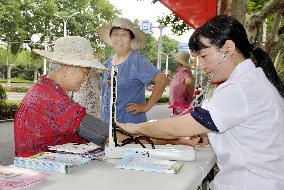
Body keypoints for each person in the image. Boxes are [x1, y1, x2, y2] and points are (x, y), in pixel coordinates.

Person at [119, 15, 284, 190]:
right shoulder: (252, 79)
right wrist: (213, 135)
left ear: (228, 47)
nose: (203, 66)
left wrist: (134, 128)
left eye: (204, 56)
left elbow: (175, 128)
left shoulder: (240, 87)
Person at [14, 36, 109, 157]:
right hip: (45, 172)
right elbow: (103, 133)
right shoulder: (52, 98)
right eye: (85, 72)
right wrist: (136, 132)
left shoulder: (43, 89)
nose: (85, 78)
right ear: (67, 68)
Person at [97, 17, 168, 124]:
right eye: (115, 34)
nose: (119, 38)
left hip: (129, 127)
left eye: (124, 35)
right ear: (111, 37)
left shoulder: (136, 60)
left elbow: (162, 80)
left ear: (131, 38)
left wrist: (146, 107)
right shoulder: (108, 62)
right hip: (107, 125)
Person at [169, 50, 194, 115]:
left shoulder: (184, 70)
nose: (175, 61)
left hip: (182, 105)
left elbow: (188, 82)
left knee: (181, 123)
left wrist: (185, 95)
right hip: (178, 105)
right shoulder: (181, 71)